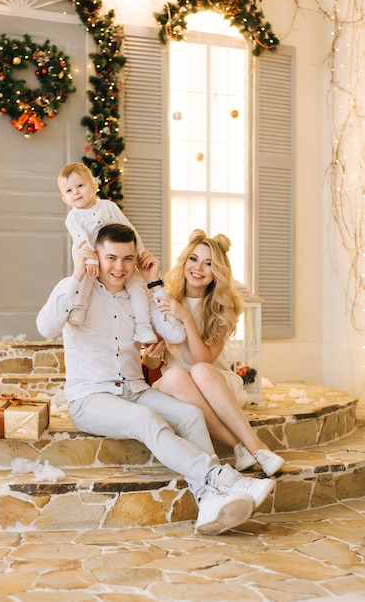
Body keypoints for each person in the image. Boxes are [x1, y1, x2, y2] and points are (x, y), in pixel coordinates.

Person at [36, 223, 276, 535]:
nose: (119, 268)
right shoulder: (77, 290)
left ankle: (208, 503)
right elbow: (45, 326)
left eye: (127, 259)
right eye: (111, 258)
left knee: (190, 414)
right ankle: (224, 480)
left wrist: (154, 282)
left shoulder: (138, 293)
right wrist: (78, 272)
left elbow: (175, 332)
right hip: (91, 398)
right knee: (145, 420)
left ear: (135, 259)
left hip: (134, 389)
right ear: (96, 255)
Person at [143, 229, 285, 477]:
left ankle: (254, 446)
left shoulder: (221, 306)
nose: (198, 268)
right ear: (185, 260)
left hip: (212, 382)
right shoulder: (163, 298)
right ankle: (238, 446)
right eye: (194, 259)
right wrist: (152, 356)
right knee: (176, 374)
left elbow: (202, 360)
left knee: (198, 371)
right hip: (177, 385)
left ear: (217, 272)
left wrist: (186, 318)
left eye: (209, 264)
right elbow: (149, 360)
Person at [57, 162, 158, 344]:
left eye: (80, 185)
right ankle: (79, 306)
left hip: (117, 256)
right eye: (69, 191)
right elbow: (82, 240)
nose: (76, 192)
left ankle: (143, 325)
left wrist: (140, 252)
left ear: (94, 186)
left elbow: (129, 229)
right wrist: (92, 261)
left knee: (136, 285)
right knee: (86, 277)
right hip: (91, 257)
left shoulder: (108, 207)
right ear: (65, 199)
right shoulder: (73, 217)